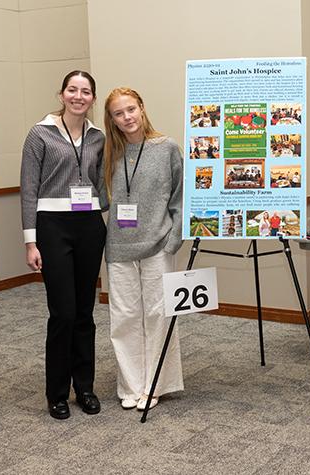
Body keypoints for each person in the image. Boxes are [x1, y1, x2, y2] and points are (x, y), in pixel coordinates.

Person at [20, 71, 107, 420]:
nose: (78, 96)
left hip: (88, 225)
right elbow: (28, 188)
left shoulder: (99, 137)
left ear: (92, 99)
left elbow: (103, 184)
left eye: (85, 91)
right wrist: (30, 242)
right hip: (52, 227)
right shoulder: (40, 133)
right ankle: (56, 392)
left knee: (85, 313)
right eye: (72, 89)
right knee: (63, 313)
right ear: (61, 94)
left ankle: (84, 387)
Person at [104, 87, 184, 411]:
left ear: (142, 108)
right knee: (123, 318)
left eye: (131, 109)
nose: (127, 118)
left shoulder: (166, 148)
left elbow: (181, 196)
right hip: (119, 248)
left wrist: (173, 240)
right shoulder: (109, 152)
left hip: (157, 245)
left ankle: (155, 384)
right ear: (111, 119)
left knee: (158, 315)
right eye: (119, 113)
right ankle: (132, 385)